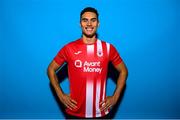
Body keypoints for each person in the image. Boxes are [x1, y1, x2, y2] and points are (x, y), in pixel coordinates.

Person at [47, 7, 128, 119]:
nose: (89, 24)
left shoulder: (108, 48)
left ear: (98, 23)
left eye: (93, 20)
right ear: (80, 24)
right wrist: (60, 95)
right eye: (85, 20)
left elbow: (124, 70)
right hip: (74, 112)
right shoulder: (69, 48)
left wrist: (115, 96)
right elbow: (50, 69)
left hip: (100, 112)